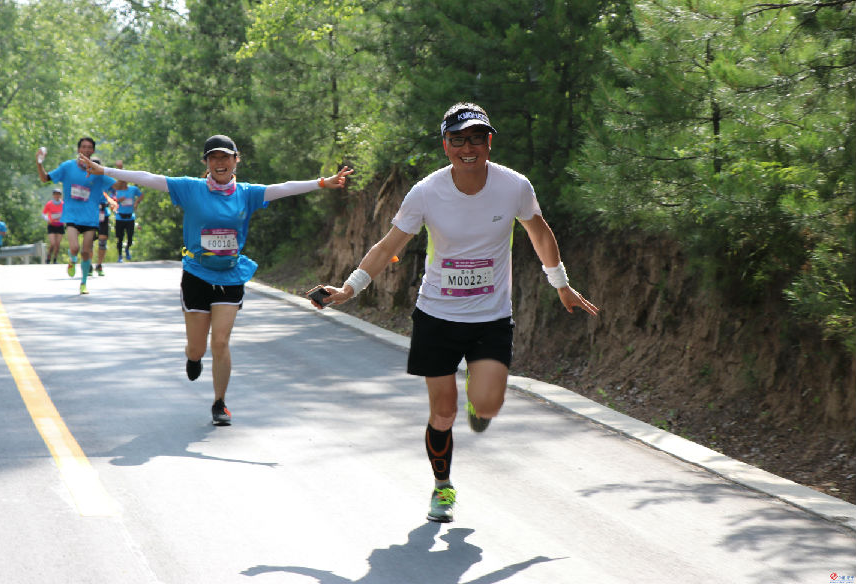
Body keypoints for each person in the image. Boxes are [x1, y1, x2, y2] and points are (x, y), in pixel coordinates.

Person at [308, 102, 598, 523]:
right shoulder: (426, 192)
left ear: (489, 142)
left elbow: (539, 231)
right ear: (446, 145)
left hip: (492, 315)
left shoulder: (513, 186)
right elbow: (388, 246)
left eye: (476, 138)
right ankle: (442, 488)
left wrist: (561, 284)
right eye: (458, 139)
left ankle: (480, 400)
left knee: (489, 405)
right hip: (437, 316)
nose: (468, 147)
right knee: (443, 413)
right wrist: (349, 288)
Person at [80, 134, 352, 426]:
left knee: (220, 341)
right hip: (197, 275)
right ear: (206, 163)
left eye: (225, 157)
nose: (220, 163)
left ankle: (219, 403)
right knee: (198, 347)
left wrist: (323, 182)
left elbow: (283, 188)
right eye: (213, 158)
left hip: (231, 275)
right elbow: (147, 177)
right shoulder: (190, 188)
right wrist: (105, 171)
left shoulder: (247, 193)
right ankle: (193, 357)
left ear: (236, 160)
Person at [36, 138, 117, 294]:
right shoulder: (67, 167)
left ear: (93, 151)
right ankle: (72, 259)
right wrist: (39, 163)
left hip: (90, 218)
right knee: (74, 248)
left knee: (86, 252)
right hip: (72, 216)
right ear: (79, 149)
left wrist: (121, 172)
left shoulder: (98, 172)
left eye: (89, 147)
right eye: (83, 147)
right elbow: (45, 178)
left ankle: (83, 283)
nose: (86, 149)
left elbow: (117, 185)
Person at [111, 160, 143, 262]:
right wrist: (118, 200)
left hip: (130, 217)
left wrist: (137, 202)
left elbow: (141, 195)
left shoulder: (133, 189)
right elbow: (111, 201)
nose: (123, 182)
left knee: (130, 237)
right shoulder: (117, 190)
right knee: (119, 238)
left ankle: (127, 249)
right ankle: (120, 256)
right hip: (120, 217)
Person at [92, 157, 117, 277]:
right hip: (89, 213)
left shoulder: (105, 179)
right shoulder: (85, 178)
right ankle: (88, 265)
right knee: (89, 241)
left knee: (102, 241)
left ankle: (99, 265)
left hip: (103, 212)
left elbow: (114, 191)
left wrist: (112, 200)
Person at [42, 188, 65, 263]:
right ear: (53, 195)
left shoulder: (63, 204)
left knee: (57, 244)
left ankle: (55, 259)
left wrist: (64, 219)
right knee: (53, 243)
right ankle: (48, 256)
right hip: (51, 225)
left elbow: (66, 213)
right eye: (55, 194)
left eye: (58, 194)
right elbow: (43, 213)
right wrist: (47, 219)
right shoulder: (49, 204)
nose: (57, 196)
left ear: (60, 195)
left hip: (60, 225)